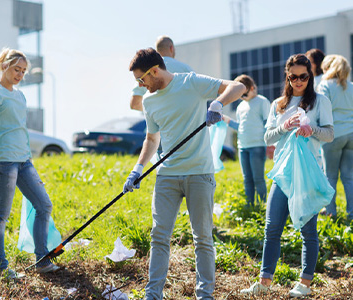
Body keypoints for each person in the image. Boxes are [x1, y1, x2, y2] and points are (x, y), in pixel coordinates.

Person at [124, 48, 246, 300]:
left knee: (202, 238)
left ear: (154, 71)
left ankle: (205, 296)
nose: (139, 85)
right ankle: (152, 295)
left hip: (199, 173)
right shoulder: (149, 101)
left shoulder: (191, 82)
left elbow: (238, 86)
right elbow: (151, 137)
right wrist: (138, 168)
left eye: (141, 79)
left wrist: (217, 102)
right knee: (159, 236)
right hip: (166, 175)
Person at [240, 54, 334, 297]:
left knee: (307, 230)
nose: (299, 81)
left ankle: (304, 283)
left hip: (308, 173)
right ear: (288, 77)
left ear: (310, 76)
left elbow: (330, 134)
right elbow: (268, 137)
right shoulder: (278, 104)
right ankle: (264, 281)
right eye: (293, 76)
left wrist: (310, 129)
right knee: (272, 228)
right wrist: (285, 126)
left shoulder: (320, 101)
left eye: (303, 76)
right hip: (282, 173)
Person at [0, 48, 59, 278]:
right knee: (1, 216)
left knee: (43, 205)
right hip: (4, 161)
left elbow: (21, 130)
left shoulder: (20, 96)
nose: (20, 74)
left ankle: (42, 260)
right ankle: (1, 267)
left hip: (24, 161)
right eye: (17, 69)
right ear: (4, 66)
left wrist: (30, 163)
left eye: (23, 71)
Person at [222, 74, 270, 205]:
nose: (243, 97)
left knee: (258, 178)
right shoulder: (240, 107)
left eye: (245, 93)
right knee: (247, 179)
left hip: (257, 145)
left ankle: (263, 205)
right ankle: (250, 205)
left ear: (253, 88)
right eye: (240, 95)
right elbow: (240, 126)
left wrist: (269, 143)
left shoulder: (262, 101)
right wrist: (227, 120)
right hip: (243, 146)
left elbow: (268, 123)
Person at [318, 54, 353, 221]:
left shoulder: (325, 85)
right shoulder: (351, 86)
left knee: (330, 175)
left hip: (333, 135)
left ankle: (332, 214)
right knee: (349, 177)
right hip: (351, 135)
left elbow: (321, 110)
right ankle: (352, 214)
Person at [130, 36, 193, 111]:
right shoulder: (186, 69)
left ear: (156, 51)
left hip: (158, 122)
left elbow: (135, 104)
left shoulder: (146, 72)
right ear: (171, 48)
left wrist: (155, 112)